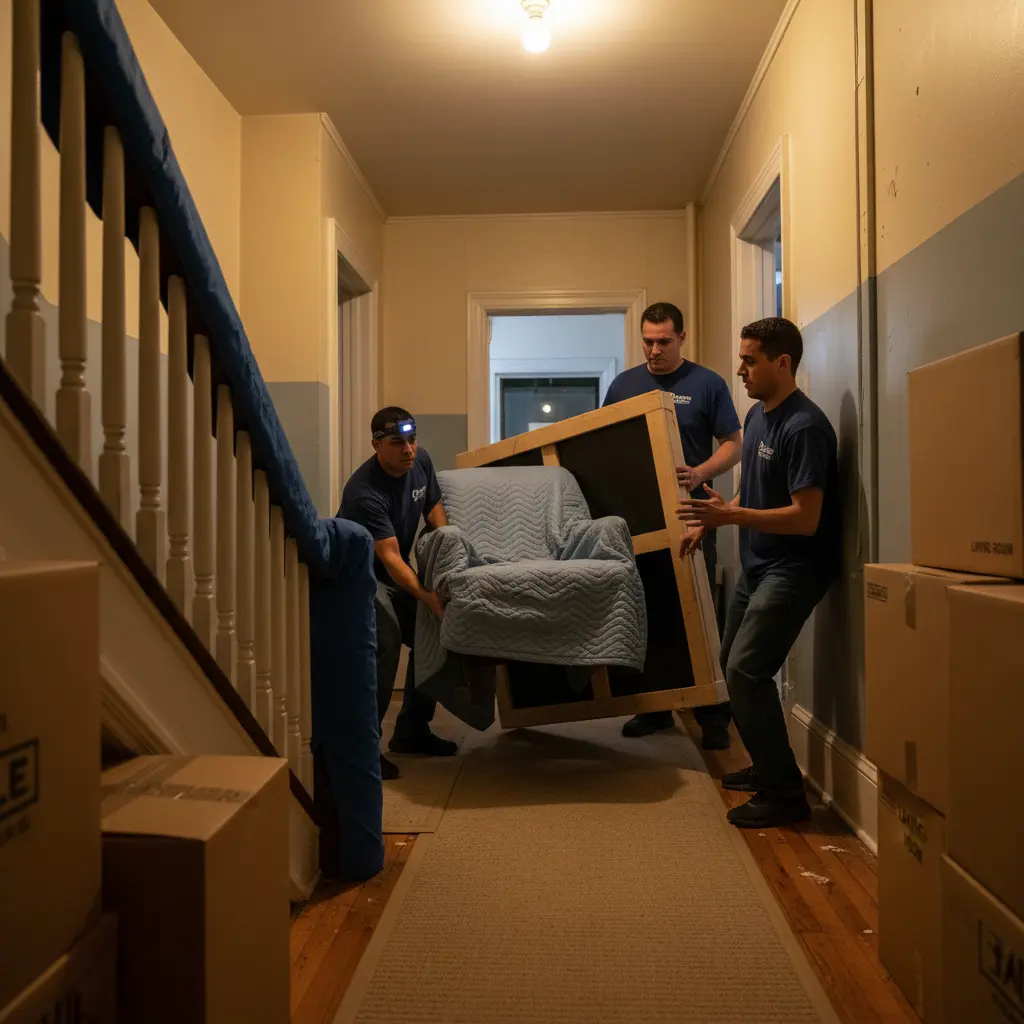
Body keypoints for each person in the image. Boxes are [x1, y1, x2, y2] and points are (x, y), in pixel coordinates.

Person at [678, 317, 840, 828]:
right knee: (734, 666)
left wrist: (731, 517)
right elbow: (756, 488)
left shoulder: (805, 427)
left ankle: (786, 795)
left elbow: (806, 517)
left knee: (747, 672)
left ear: (782, 363)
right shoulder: (758, 415)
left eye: (750, 359)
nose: (741, 369)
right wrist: (716, 520)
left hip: (794, 568)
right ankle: (767, 766)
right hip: (758, 564)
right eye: (742, 358)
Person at [602, 301, 742, 749]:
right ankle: (656, 709)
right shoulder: (624, 386)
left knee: (701, 614)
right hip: (639, 517)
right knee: (651, 610)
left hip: (692, 515)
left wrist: (701, 473)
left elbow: (734, 444)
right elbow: (603, 442)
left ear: (682, 337)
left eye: (663, 340)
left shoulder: (708, 384)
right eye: (647, 340)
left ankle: (714, 716)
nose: (654, 349)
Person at [338, 406, 457, 781]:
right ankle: (363, 750)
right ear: (376, 445)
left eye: (411, 439)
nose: (408, 449)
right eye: (397, 443)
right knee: (386, 638)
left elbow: (433, 506)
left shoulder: (419, 460)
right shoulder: (363, 492)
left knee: (432, 634)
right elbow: (389, 559)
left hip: (393, 571)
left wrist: (445, 551)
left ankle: (411, 731)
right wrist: (428, 597)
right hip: (357, 576)